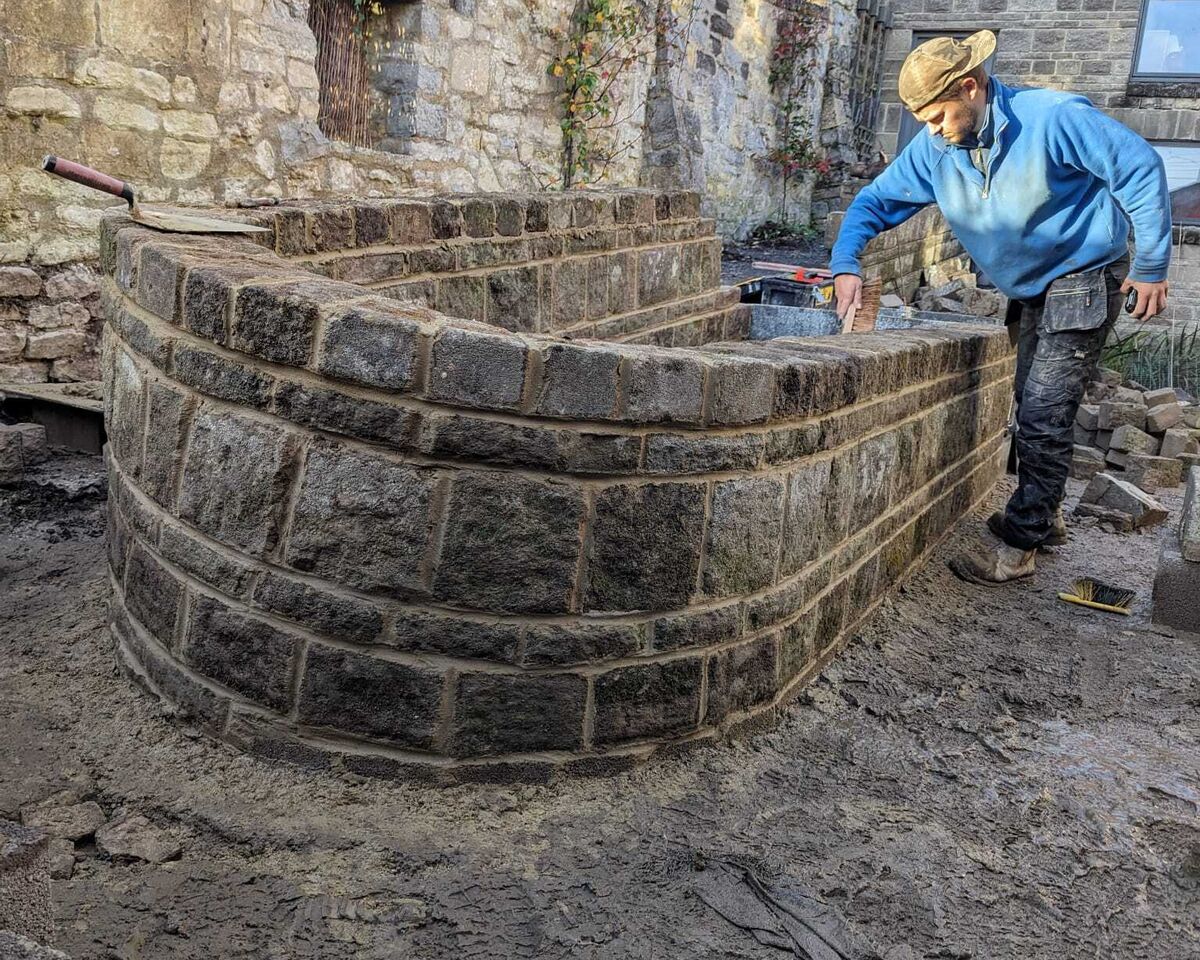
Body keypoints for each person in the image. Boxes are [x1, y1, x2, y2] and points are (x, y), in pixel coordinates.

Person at [830, 30, 1172, 585]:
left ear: (970, 88)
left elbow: (1139, 167)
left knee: (1043, 410)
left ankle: (1019, 545)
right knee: (1031, 403)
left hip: (1085, 275)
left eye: (937, 116)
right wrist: (845, 262)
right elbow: (875, 201)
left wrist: (1152, 265)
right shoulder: (937, 149)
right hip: (1031, 287)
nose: (930, 130)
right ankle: (1046, 517)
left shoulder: (1053, 117)